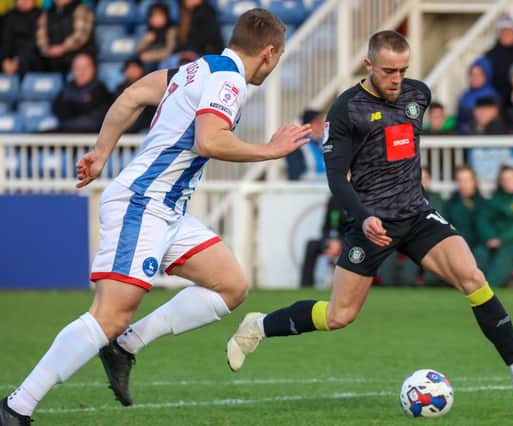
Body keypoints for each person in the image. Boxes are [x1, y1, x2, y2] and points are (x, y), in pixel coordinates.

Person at [0, 9, 311, 425]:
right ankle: (16, 407)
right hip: (143, 204)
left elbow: (132, 95)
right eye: (279, 56)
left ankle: (126, 346)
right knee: (108, 315)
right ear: (269, 53)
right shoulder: (229, 79)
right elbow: (209, 140)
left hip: (168, 211)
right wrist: (269, 150)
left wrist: (102, 152)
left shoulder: (195, 69)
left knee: (230, 286)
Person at [226, 31, 513, 402]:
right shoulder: (347, 109)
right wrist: (363, 216)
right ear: (368, 64)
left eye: (403, 70)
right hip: (371, 224)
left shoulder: (418, 94)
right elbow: (337, 178)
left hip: (417, 214)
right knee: (339, 316)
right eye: (388, 70)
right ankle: (257, 326)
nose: (396, 78)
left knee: (473, 278)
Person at [52, 53, 112, 133]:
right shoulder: (66, 88)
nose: (81, 72)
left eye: (85, 68)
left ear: (93, 69)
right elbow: (58, 109)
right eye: (77, 68)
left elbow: (97, 119)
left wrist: (73, 105)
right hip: (67, 134)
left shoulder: (100, 90)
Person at [299, 194, 348, 287]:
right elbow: (326, 227)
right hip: (334, 240)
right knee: (311, 246)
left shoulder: (361, 198)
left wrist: (341, 243)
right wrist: (329, 241)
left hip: (352, 241)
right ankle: (306, 286)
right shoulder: (334, 199)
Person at [36, 0, 95, 73]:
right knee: (34, 60)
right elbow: (41, 34)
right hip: (51, 53)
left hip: (75, 51)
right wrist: (45, 49)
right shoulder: (48, 12)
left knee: (76, 62)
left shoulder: (81, 9)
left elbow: (80, 36)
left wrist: (62, 48)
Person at [444, 165, 486, 254]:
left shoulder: (484, 204)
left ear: (474, 181)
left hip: (479, 248)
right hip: (456, 246)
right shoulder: (450, 204)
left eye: (467, 180)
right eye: (460, 181)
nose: (463, 184)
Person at [456, 57, 500, 131]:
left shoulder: (492, 95)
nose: (475, 78)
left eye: (479, 75)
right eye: (472, 75)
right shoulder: (465, 96)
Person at [1, 0, 42, 75]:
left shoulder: (41, 15)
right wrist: (5, 59)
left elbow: (35, 41)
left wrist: (17, 60)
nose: (23, 1)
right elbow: (6, 40)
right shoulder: (8, 16)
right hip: (10, 58)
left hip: (32, 57)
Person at [285, 109, 326, 180]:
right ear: (308, 125)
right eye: (319, 123)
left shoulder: (323, 142)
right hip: (306, 188)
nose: (323, 126)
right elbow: (295, 176)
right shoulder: (296, 146)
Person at [115, 59, 155, 133]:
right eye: (129, 68)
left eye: (134, 67)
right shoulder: (119, 89)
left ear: (141, 69)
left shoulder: (149, 86)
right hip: (123, 126)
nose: (131, 71)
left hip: (144, 126)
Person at [136, 2, 177, 71]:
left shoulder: (171, 31)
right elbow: (138, 49)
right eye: (154, 17)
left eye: (160, 16)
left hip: (166, 62)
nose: (157, 19)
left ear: (166, 17)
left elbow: (169, 51)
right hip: (150, 63)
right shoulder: (149, 31)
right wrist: (146, 40)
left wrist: (150, 56)